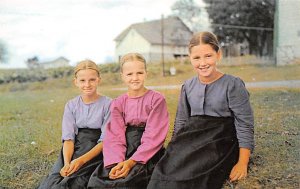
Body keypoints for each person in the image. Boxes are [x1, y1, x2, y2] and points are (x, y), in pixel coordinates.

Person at [147, 31, 254, 189]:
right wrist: (174, 150)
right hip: (192, 136)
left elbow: (245, 124)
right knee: (165, 169)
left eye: (208, 56)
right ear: (190, 59)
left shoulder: (233, 84)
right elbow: (182, 121)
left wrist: (242, 163)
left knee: (196, 172)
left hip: (220, 139)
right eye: (196, 58)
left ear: (218, 55)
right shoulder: (188, 86)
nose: (203, 63)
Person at [88, 53, 169, 189]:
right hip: (125, 145)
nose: (135, 78)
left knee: (132, 180)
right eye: (129, 74)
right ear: (122, 76)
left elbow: (154, 135)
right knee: (100, 181)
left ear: (146, 73)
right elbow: (115, 134)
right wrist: (117, 162)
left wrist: (131, 162)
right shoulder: (118, 103)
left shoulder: (157, 99)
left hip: (148, 149)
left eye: (139, 73)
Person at [38, 60, 111, 189]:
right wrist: (67, 162)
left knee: (78, 180)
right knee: (58, 177)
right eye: (82, 80)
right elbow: (68, 138)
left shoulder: (109, 104)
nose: (87, 84)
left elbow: (105, 140)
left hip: (97, 149)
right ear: (75, 82)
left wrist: (81, 160)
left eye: (92, 80)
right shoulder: (71, 105)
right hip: (75, 146)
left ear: (99, 80)